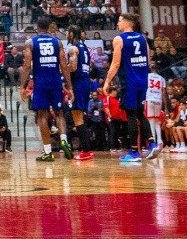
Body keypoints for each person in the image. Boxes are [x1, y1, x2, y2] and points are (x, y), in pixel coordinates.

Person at [101, 12, 155, 164]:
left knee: (131, 115)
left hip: (129, 82)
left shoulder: (119, 39)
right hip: (143, 80)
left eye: (119, 21)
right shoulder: (143, 38)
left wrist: (107, 82)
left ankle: (134, 152)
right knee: (139, 113)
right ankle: (152, 143)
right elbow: (149, 62)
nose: (117, 24)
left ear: (126, 22)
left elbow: (116, 63)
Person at [21, 16, 73, 162]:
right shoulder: (57, 42)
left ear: (37, 27)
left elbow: (26, 66)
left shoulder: (30, 42)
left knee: (42, 116)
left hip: (41, 82)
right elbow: (64, 65)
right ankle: (63, 139)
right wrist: (69, 86)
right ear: (50, 27)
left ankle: (48, 151)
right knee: (60, 113)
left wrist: (22, 86)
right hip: (55, 81)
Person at [65, 26, 96, 161]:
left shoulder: (73, 48)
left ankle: (86, 151)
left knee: (77, 116)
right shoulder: (85, 48)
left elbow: (73, 67)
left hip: (78, 82)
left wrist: (61, 68)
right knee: (79, 116)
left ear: (72, 34)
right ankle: (87, 149)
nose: (67, 35)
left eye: (67, 33)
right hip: (85, 81)